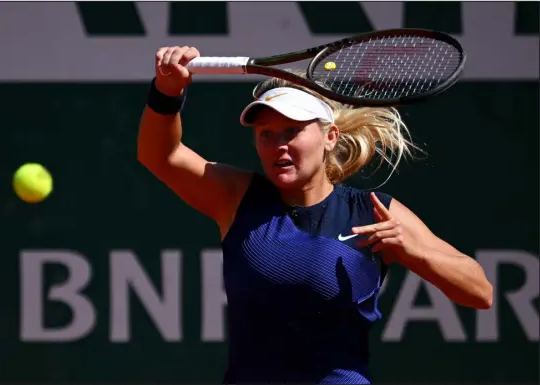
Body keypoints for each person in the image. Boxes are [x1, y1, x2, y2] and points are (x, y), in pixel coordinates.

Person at [138, 46, 493, 384]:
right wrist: (167, 91)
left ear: (330, 137)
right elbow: (160, 154)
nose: (279, 145)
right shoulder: (237, 197)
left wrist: (415, 252)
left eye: (293, 131)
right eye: (266, 134)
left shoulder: (373, 211)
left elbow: (480, 292)